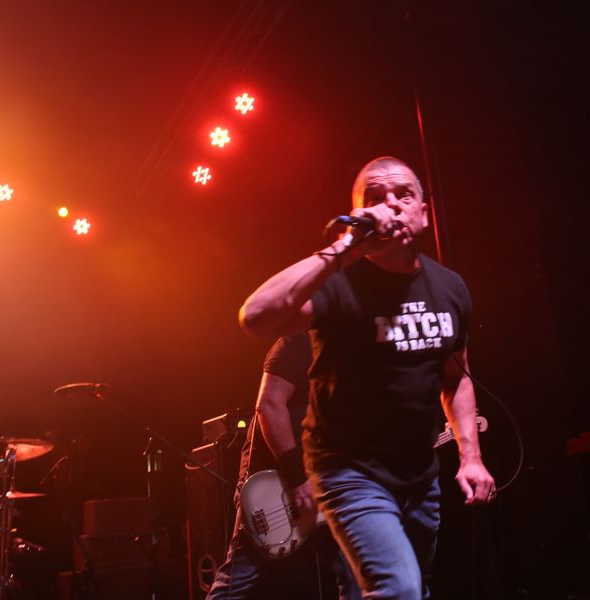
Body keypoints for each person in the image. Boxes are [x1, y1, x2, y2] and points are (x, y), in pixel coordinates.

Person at [239, 156, 496, 599]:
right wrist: (346, 247)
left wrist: (471, 457)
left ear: (424, 213)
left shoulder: (450, 288)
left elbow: (456, 378)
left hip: (419, 476)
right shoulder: (339, 285)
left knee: (402, 590)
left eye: (403, 195)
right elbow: (256, 316)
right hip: (349, 473)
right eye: (374, 197)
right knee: (399, 588)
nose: (390, 204)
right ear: (357, 213)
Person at [206, 334, 360, 599]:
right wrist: (299, 479)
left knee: (355, 570)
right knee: (236, 581)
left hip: (322, 484)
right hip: (275, 485)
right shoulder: (297, 342)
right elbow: (268, 406)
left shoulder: (350, 352)